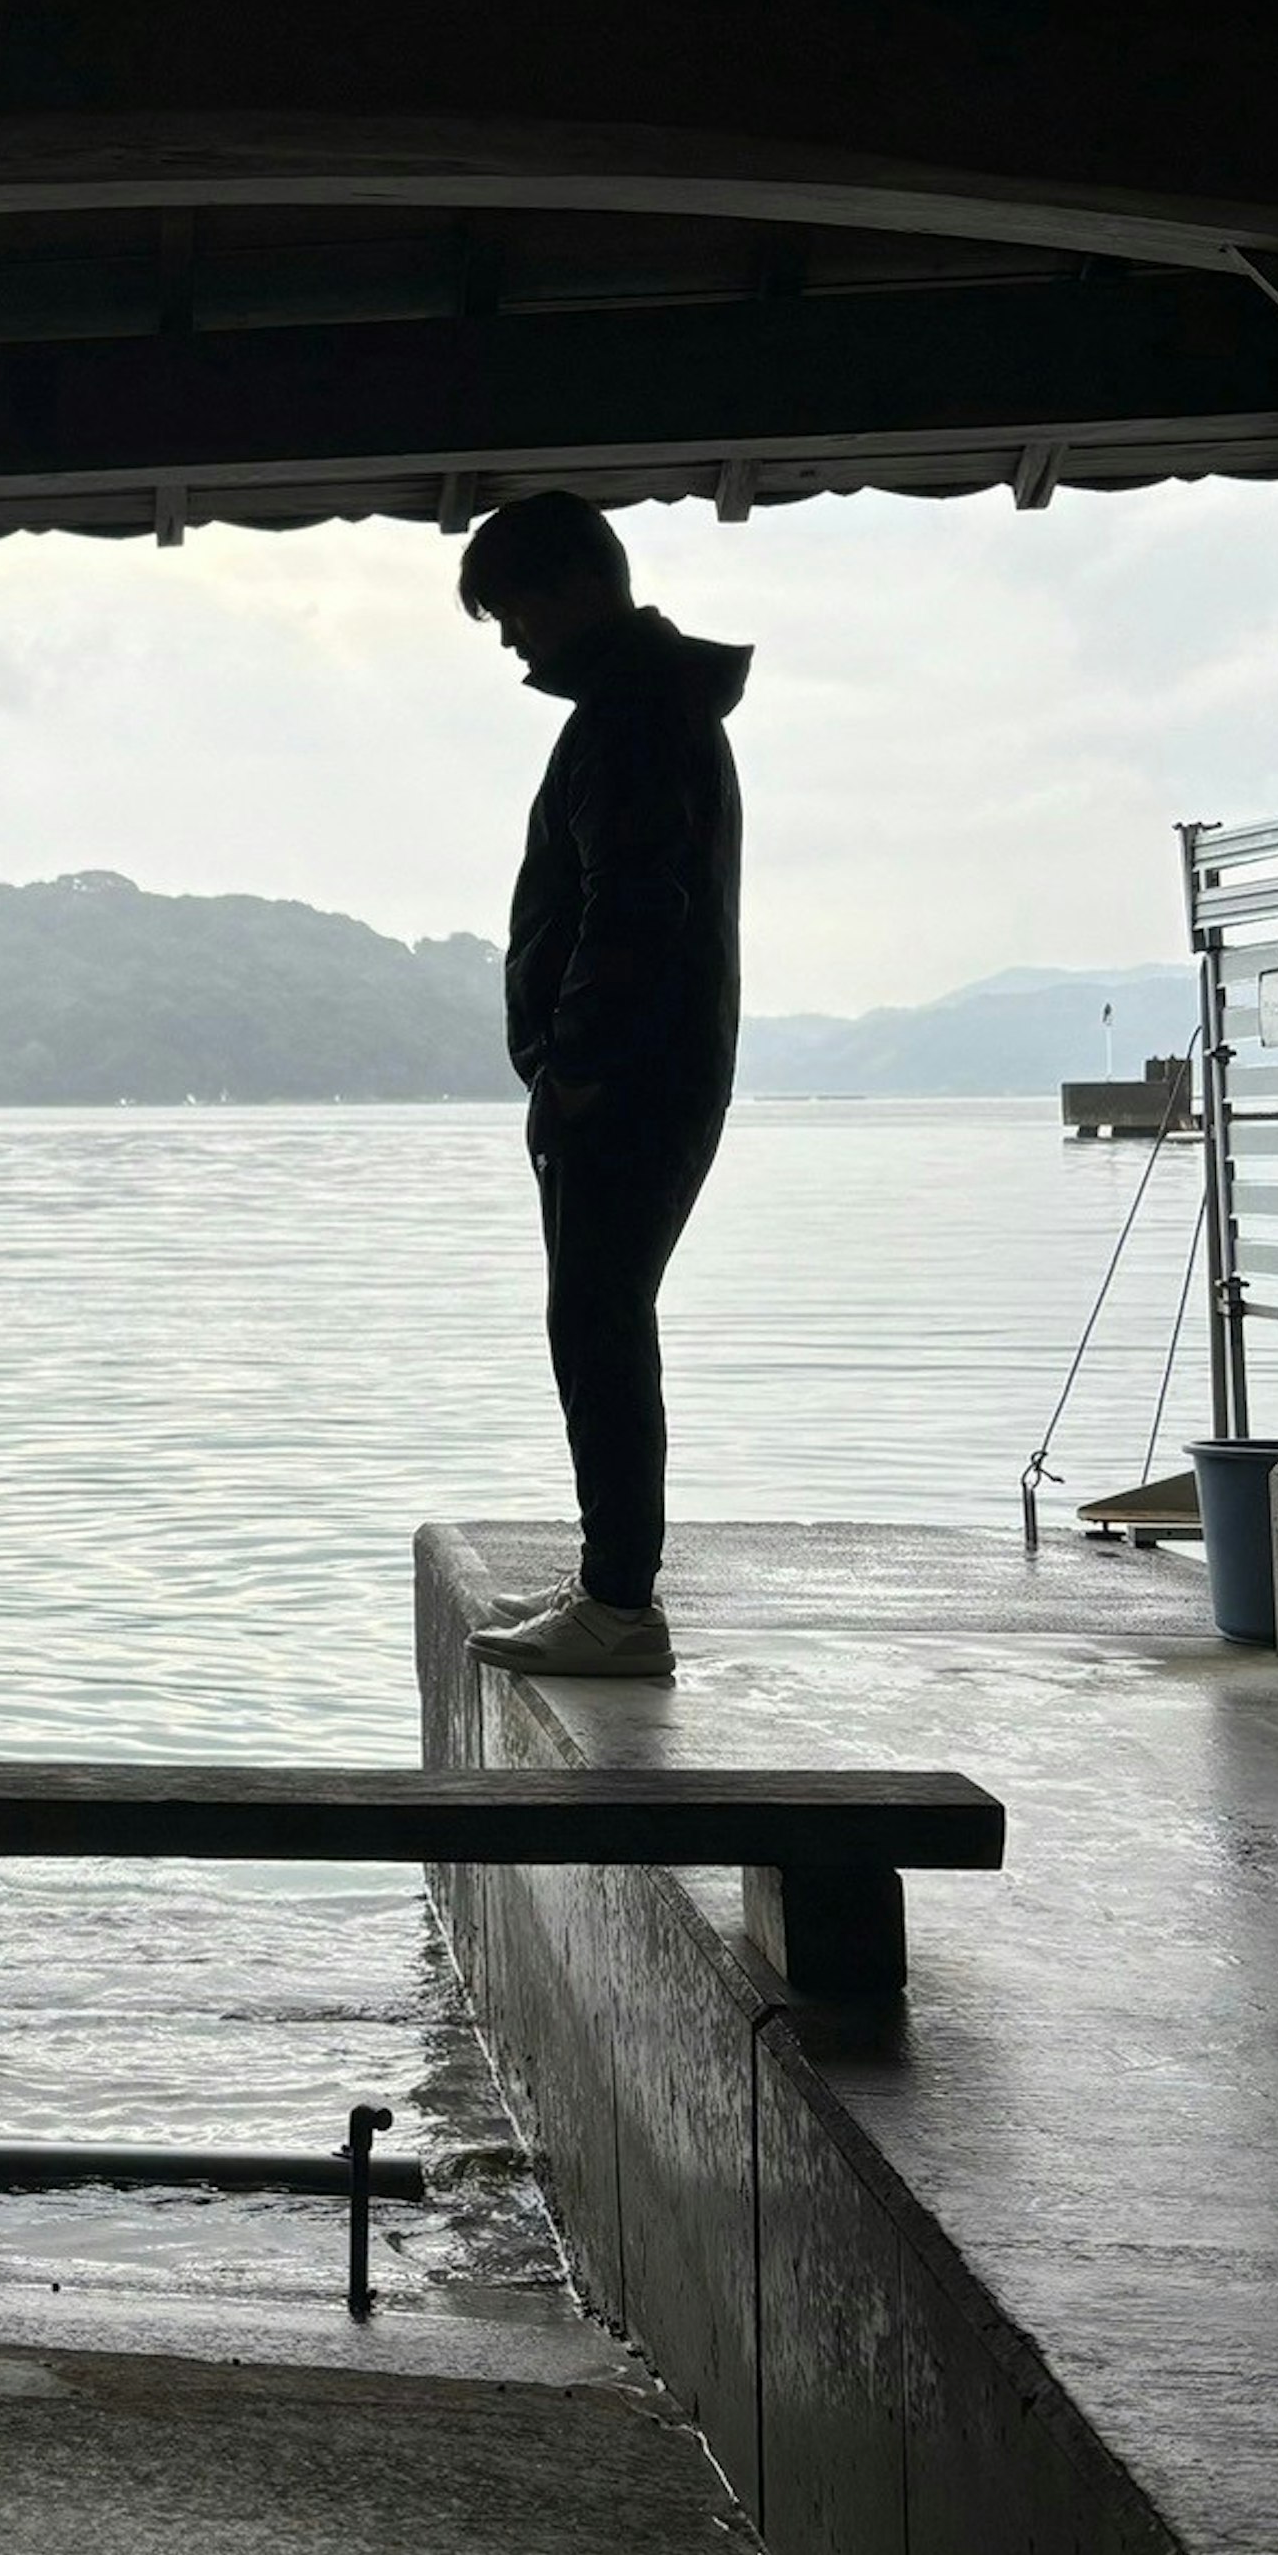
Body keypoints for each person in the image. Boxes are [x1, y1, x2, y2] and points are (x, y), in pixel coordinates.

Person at [454, 493, 749, 1681]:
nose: (511, 638)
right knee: (600, 1318)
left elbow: (632, 902)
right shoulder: (650, 704)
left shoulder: (630, 715)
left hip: (626, 1081)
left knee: (597, 1320)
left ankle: (619, 1603)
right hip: (649, 1071)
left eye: (514, 608)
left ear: (576, 583)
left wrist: (574, 1066)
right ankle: (608, 1579)